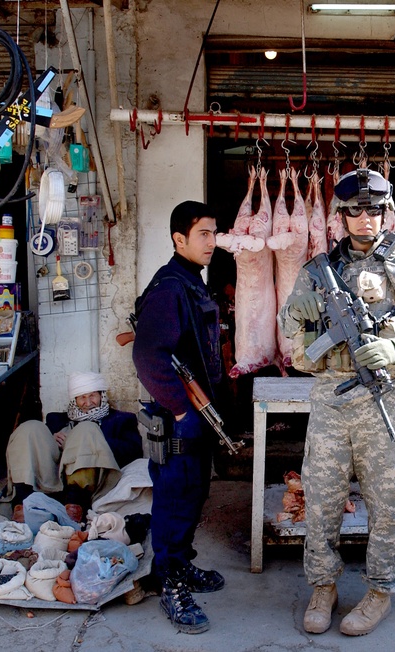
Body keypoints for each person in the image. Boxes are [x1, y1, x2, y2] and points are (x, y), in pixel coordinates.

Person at [277, 168, 395, 636]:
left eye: (373, 210)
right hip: (331, 403)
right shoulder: (319, 271)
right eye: (354, 210)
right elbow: (293, 332)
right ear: (340, 216)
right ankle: (323, 586)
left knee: (388, 503)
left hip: (389, 402)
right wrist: (307, 328)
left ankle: (379, 591)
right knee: (320, 500)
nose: (364, 219)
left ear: (386, 212)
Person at [132, 200, 225, 635]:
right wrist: (182, 408)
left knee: (193, 495)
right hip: (176, 421)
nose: (212, 242)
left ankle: (181, 566)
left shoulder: (191, 282)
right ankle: (168, 581)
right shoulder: (170, 287)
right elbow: (148, 355)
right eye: (203, 234)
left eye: (214, 233)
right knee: (173, 500)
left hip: (196, 418)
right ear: (179, 239)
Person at [5, 370, 143, 513]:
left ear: (101, 396)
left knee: (86, 429)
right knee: (30, 428)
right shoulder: (55, 420)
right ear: (74, 401)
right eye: (82, 397)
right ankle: (23, 499)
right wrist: (50, 439)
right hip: (54, 479)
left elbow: (134, 450)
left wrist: (92, 442)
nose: (88, 402)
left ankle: (75, 504)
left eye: (92, 396)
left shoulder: (121, 420)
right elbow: (39, 450)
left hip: (89, 484)